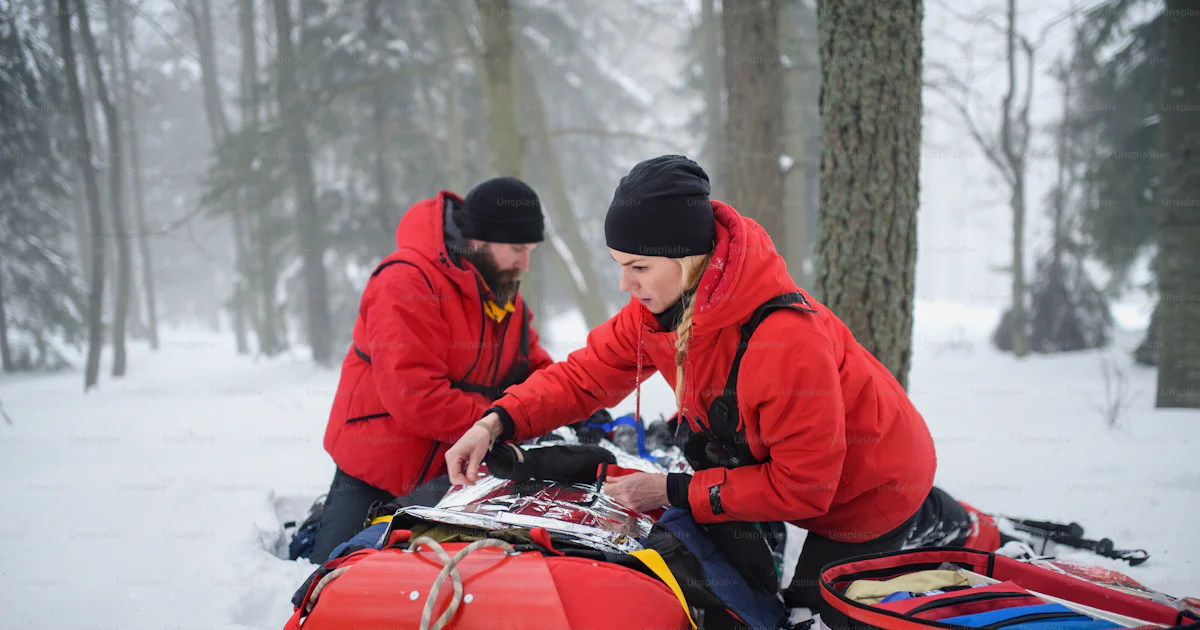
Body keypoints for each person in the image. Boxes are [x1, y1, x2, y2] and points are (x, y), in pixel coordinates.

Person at [445, 156, 940, 625]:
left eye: (637, 267)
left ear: (685, 259)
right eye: (619, 264)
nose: (624, 284)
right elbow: (583, 376)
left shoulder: (785, 340)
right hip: (780, 471)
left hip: (872, 490)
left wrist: (671, 490)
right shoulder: (661, 310)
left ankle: (938, 524)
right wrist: (495, 423)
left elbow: (805, 487)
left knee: (812, 615)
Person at [309, 177, 555, 562]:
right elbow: (416, 396)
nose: (525, 263)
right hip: (377, 471)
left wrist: (565, 406)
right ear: (479, 240)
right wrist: (501, 422)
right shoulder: (406, 281)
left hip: (457, 474)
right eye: (518, 248)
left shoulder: (505, 298)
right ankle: (318, 526)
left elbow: (537, 373)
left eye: (530, 251)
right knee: (331, 571)